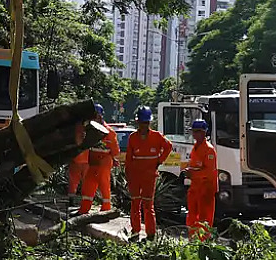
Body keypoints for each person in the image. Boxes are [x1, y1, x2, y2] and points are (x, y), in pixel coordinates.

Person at [124, 106, 172, 240]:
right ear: (138, 122)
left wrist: (160, 160)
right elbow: (128, 158)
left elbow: (168, 147)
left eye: (146, 123)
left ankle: (151, 234)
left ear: (149, 123)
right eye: (141, 122)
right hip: (135, 176)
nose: (143, 125)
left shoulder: (157, 136)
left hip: (149, 176)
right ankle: (135, 231)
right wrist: (128, 174)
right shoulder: (133, 137)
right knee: (135, 204)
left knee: (148, 205)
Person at [78, 103, 120, 215]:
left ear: (99, 116)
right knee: (89, 185)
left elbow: (115, 151)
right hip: (93, 162)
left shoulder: (109, 132)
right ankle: (84, 209)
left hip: (104, 162)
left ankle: (106, 209)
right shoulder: (90, 130)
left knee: (104, 184)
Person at [183, 119, 218, 240]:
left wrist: (192, 173)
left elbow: (209, 171)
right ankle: (193, 240)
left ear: (204, 133)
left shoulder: (209, 149)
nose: (196, 134)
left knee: (204, 218)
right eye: (194, 131)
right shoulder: (195, 147)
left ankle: (203, 243)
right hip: (195, 187)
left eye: (198, 131)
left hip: (206, 188)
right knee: (192, 215)